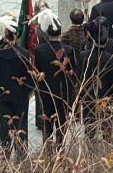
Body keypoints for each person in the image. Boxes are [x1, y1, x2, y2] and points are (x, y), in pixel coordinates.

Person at [0, 15, 34, 161]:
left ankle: (6, 151)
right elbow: (29, 78)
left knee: (5, 125)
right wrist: (26, 93)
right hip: (20, 95)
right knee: (21, 124)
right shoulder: (23, 53)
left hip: (3, 95)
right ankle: (21, 152)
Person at [31, 9, 74, 147]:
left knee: (47, 122)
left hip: (46, 89)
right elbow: (72, 70)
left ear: (48, 33)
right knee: (62, 120)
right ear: (60, 32)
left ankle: (48, 147)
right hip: (62, 90)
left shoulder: (39, 49)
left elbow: (38, 66)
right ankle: (60, 146)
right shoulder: (68, 50)